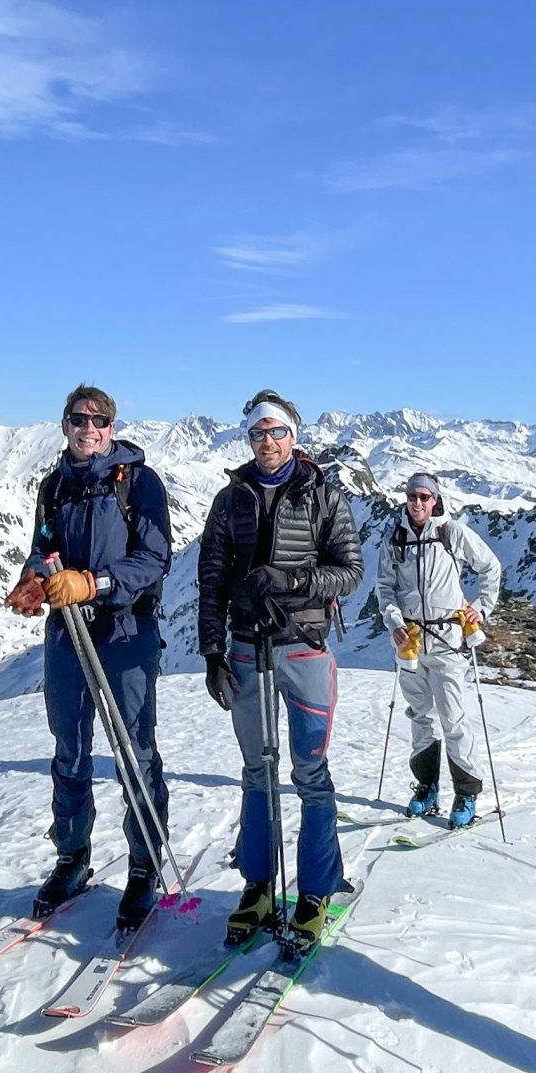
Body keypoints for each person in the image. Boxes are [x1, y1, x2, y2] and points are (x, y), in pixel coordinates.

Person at [5, 384, 174, 933]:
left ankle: (144, 864)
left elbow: (153, 559)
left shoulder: (139, 483)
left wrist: (92, 583)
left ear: (112, 427)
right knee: (70, 748)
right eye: (79, 419)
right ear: (65, 425)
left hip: (125, 630)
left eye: (98, 420)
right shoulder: (54, 486)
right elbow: (44, 543)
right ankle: (72, 857)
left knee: (133, 748)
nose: (88, 428)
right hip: (66, 633)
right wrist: (35, 579)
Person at [197, 390, 363, 946]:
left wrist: (293, 581)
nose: (266, 442)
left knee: (310, 772)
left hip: (304, 645)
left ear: (294, 435)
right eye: (257, 434)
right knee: (256, 771)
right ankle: (259, 886)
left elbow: (350, 571)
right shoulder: (231, 499)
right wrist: (212, 654)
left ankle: (315, 889)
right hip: (246, 648)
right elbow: (212, 581)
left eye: (275, 432)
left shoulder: (323, 495)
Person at [374, 471, 502, 826]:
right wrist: (394, 621)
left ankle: (466, 793)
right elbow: (384, 587)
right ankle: (426, 787)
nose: (418, 503)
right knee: (420, 717)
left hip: (448, 640)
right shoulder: (394, 538)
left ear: (435, 500)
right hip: (411, 641)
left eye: (425, 497)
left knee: (453, 719)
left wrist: (483, 607)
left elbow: (490, 566)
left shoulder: (452, 533)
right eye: (413, 496)